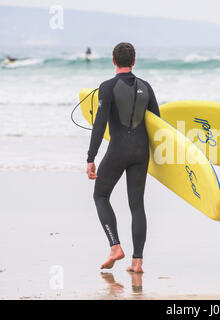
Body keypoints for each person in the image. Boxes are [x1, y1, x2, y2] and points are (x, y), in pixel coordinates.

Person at [86, 42, 160, 272]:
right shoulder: (146, 87)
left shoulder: (107, 87)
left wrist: (91, 157)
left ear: (113, 61)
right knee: (137, 205)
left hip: (118, 150)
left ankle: (115, 246)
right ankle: (137, 262)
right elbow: (157, 123)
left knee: (100, 194)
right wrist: (160, 159)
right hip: (141, 152)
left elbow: (99, 125)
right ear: (134, 61)